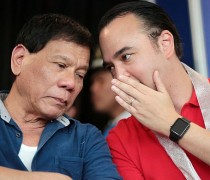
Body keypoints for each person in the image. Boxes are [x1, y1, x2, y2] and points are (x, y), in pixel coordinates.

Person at [0, 13, 121, 180]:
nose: (71, 83)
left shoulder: (86, 139)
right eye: (60, 65)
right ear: (19, 59)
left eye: (80, 75)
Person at [98, 1, 210, 179]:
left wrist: (171, 123)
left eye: (126, 57)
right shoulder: (121, 138)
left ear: (165, 44)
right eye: (111, 67)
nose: (119, 77)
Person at [90, 48, 130, 137]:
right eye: (92, 82)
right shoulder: (113, 126)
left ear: (123, 81)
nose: (93, 88)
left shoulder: (136, 130)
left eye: (101, 81)